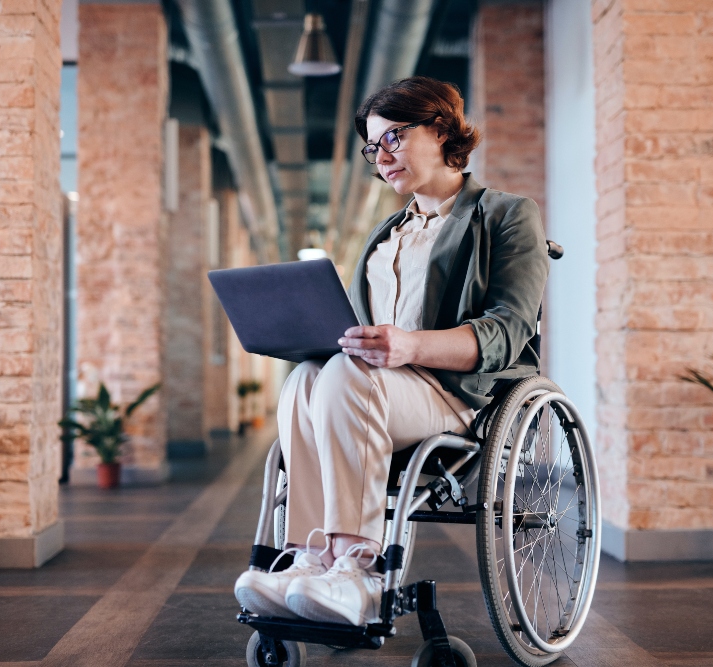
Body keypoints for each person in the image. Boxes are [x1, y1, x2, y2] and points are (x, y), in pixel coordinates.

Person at [235, 76, 549, 627]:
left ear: (439, 127)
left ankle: (358, 570)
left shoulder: (504, 215)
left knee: (345, 376)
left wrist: (407, 346)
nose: (381, 157)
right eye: (372, 147)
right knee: (308, 376)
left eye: (393, 138)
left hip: (452, 395)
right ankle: (311, 558)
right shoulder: (386, 235)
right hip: (376, 390)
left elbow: (509, 329)